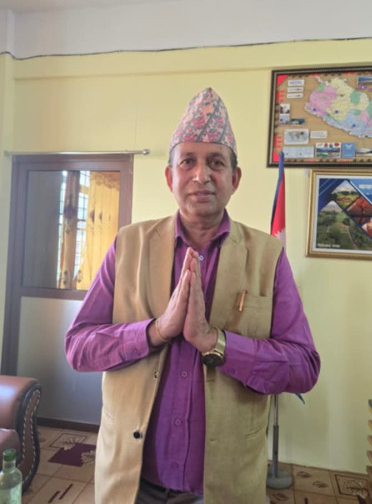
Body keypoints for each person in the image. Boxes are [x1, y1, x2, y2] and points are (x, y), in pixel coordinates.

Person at [65, 87, 320, 504]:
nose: (201, 175)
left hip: (223, 486)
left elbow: (304, 367)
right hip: (130, 479)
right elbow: (78, 347)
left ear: (235, 179)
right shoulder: (128, 245)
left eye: (216, 162)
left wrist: (215, 342)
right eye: (188, 161)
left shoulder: (268, 256)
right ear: (170, 177)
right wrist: (154, 331)